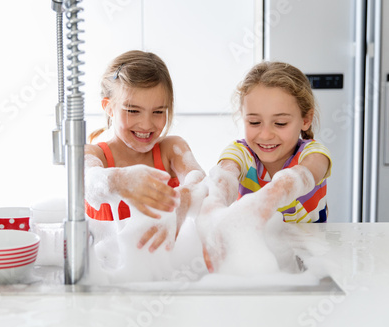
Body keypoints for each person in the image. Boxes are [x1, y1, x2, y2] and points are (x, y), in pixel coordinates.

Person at [198, 61, 332, 273]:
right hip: (256, 258)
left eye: (280, 123)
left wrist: (270, 197)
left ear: (305, 119)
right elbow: (223, 179)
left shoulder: (313, 155)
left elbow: (303, 175)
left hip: (310, 260)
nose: (266, 134)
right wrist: (211, 216)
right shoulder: (241, 153)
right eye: (254, 123)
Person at [85, 50, 205, 252]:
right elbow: (90, 180)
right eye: (133, 110)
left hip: (164, 271)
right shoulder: (94, 155)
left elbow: (199, 180)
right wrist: (120, 181)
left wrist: (183, 201)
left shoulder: (171, 150)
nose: (146, 124)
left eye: (158, 112)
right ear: (109, 107)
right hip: (107, 273)